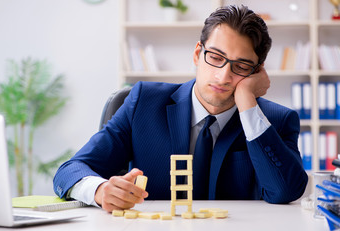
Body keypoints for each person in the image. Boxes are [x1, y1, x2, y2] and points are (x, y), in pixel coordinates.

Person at [53, 5, 308, 212]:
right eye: (216, 58)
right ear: (198, 54)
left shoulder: (276, 121)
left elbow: (286, 191)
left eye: (241, 66)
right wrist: (99, 191)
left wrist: (246, 101)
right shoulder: (143, 102)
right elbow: (69, 171)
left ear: (258, 71)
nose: (222, 76)